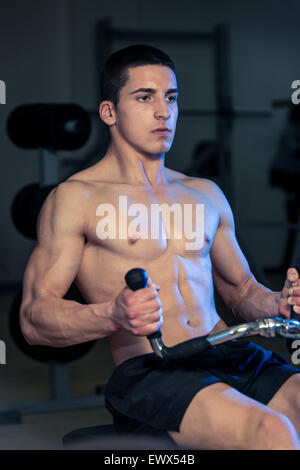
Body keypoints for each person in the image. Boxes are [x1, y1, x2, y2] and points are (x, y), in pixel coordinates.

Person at [20, 45, 300, 450]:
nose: (163, 111)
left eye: (170, 98)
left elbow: (241, 293)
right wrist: (111, 314)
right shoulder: (76, 199)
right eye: (144, 97)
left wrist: (278, 303)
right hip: (154, 369)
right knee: (273, 433)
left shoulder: (204, 193)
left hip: (229, 353)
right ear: (109, 112)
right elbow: (33, 317)